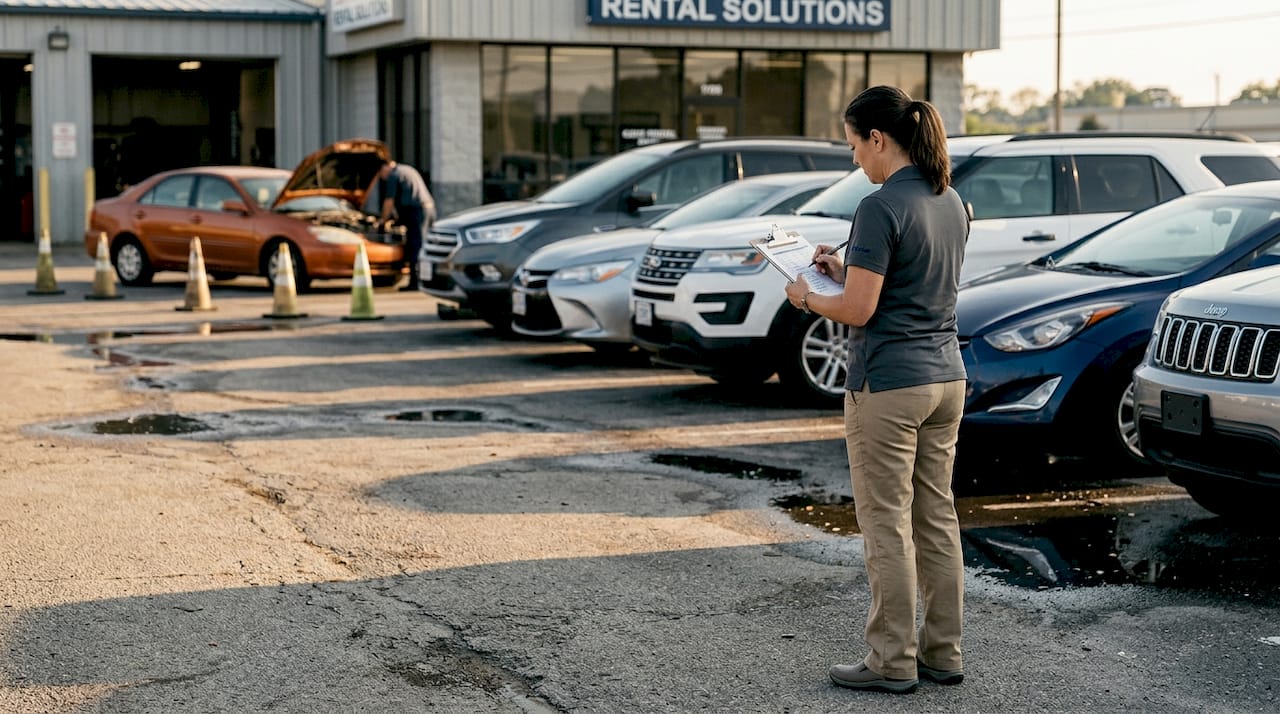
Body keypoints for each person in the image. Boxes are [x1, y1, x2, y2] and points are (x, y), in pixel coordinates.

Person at [783, 85, 969, 695]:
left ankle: (892, 661)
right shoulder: (950, 200)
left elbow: (859, 311)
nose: (855, 160)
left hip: (889, 385)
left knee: (886, 525)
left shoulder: (880, 206)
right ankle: (943, 653)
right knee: (935, 519)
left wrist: (808, 294)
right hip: (946, 378)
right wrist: (841, 271)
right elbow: (906, 284)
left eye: (855, 146)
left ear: (878, 139)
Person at [379, 159, 437, 290]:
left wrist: (383, 221)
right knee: (427, 245)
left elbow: (389, 201)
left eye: (381, 174)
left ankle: (415, 283)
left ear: (385, 167)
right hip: (429, 209)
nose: (382, 178)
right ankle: (430, 279)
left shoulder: (394, 175)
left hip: (416, 212)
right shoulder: (407, 169)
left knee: (415, 246)